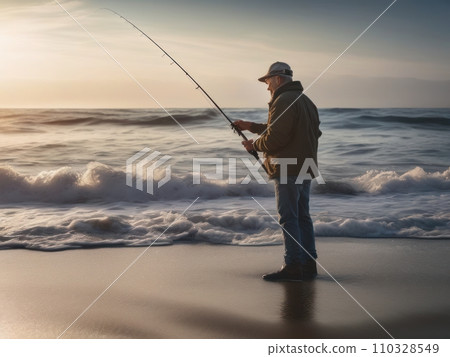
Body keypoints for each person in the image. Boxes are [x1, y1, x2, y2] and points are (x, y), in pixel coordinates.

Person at [233, 61, 322, 281]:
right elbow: (301, 131)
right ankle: (309, 264)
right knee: (302, 217)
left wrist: (255, 146)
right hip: (306, 167)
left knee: (288, 218)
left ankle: (293, 266)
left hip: (287, 168)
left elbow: (276, 137)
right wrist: (250, 126)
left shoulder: (282, 100)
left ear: (278, 79)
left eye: (268, 81)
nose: (267, 86)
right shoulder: (306, 101)